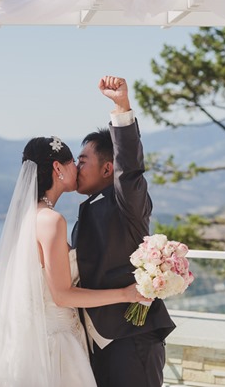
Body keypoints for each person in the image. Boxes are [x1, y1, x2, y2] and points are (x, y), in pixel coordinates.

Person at [0, 135, 149, 386]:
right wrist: (126, 294)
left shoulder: (28, 218)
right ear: (57, 168)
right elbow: (62, 295)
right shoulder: (51, 221)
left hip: (35, 339)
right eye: (74, 161)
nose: (78, 167)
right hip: (57, 343)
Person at [72, 75, 176, 387]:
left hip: (132, 340)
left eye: (82, 160)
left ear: (107, 168)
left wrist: (121, 108)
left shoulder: (124, 201)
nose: (76, 168)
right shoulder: (89, 208)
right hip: (98, 342)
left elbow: (129, 168)